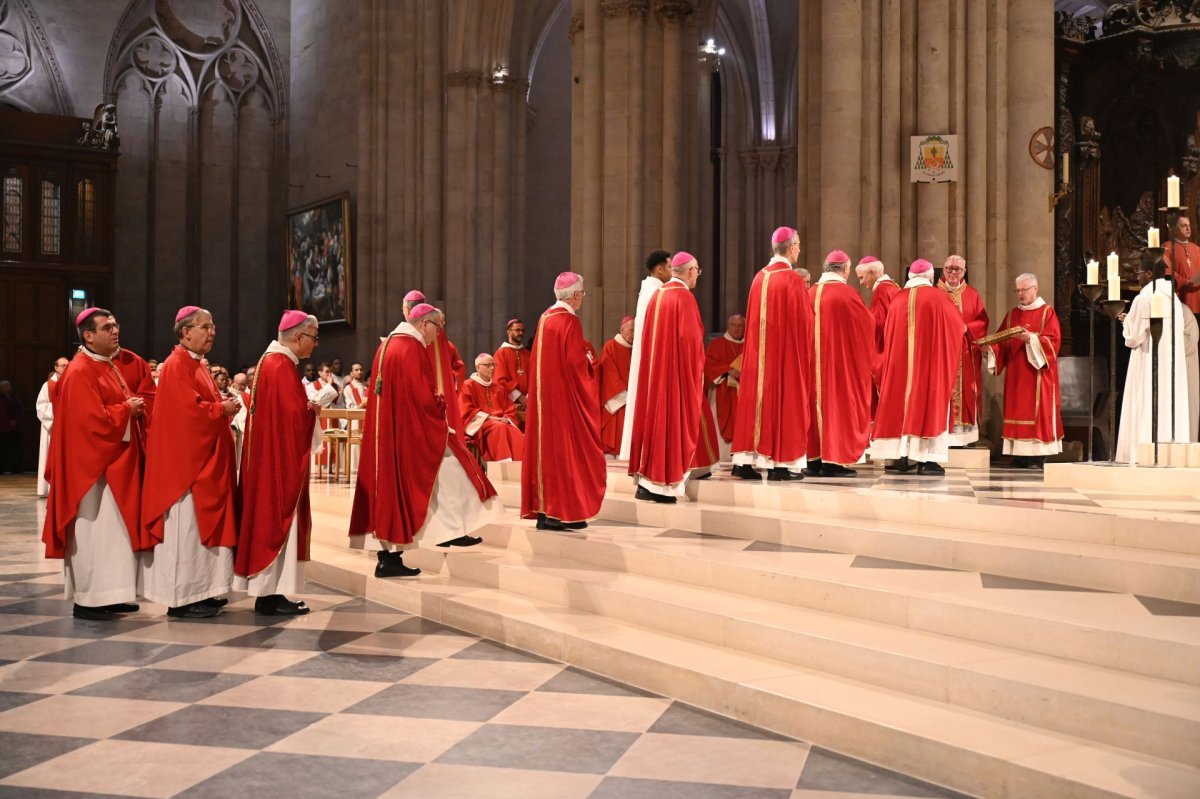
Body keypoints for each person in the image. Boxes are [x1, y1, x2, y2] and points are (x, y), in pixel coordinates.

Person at [351, 304, 499, 577]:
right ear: (425, 324)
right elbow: (423, 397)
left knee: (408, 488)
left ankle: (411, 548)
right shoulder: (411, 347)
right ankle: (408, 550)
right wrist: (440, 407)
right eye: (438, 328)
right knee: (453, 469)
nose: (437, 335)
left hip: (391, 434)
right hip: (408, 434)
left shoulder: (387, 345)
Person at [42, 308, 146, 620]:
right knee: (92, 534)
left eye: (116, 325)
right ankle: (88, 600)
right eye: (107, 328)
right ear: (88, 335)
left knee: (113, 534)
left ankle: (111, 594)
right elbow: (87, 422)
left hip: (111, 465)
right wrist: (126, 410)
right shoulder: (79, 370)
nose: (116, 331)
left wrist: (130, 408)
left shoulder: (106, 365)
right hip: (88, 472)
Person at [140, 307, 240, 618]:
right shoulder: (176, 364)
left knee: (200, 533)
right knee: (186, 533)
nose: (213, 332)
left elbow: (202, 404)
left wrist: (223, 407)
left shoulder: (196, 363)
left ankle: (203, 591)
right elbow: (186, 413)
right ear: (186, 332)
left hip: (204, 461)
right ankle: (181, 599)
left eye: (213, 326)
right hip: (185, 469)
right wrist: (220, 409)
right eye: (206, 327)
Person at [233, 311, 324, 616]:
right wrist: (312, 411)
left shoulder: (269, 361)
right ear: (299, 337)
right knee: (278, 520)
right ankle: (270, 596)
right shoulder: (281, 365)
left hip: (268, 458)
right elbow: (293, 418)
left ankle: (269, 593)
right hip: (279, 464)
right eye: (314, 337)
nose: (315, 344)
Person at [521, 272, 607, 530]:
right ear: (576, 295)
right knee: (567, 454)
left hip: (544, 402)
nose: (583, 299)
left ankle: (548, 512)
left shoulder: (545, 318)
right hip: (563, 402)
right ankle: (558, 512)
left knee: (548, 454)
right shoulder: (569, 321)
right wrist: (590, 361)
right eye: (583, 294)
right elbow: (575, 364)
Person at [628, 252, 713, 502]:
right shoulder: (683, 297)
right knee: (672, 426)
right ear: (690, 271)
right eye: (697, 271)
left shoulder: (658, 295)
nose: (697, 275)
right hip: (675, 378)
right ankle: (662, 486)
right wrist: (695, 375)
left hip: (656, 376)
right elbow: (691, 343)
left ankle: (646, 484)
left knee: (656, 424)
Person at [731, 226, 813, 481]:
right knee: (784, 402)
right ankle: (780, 465)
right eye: (798, 245)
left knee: (754, 403)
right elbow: (804, 323)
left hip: (757, 358)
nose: (799, 250)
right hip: (783, 357)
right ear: (791, 247)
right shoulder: (792, 280)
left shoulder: (759, 277)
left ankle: (743, 462)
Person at [870, 259, 964, 475]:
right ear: (931, 277)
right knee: (929, 406)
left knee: (900, 407)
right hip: (929, 369)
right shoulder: (939, 298)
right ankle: (927, 460)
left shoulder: (898, 299)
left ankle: (901, 457)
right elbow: (958, 327)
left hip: (900, 369)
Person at [805, 250, 876, 477]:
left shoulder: (810, 293)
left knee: (814, 406)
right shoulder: (847, 294)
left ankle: (814, 460)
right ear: (845, 269)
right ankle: (833, 462)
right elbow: (867, 325)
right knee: (837, 408)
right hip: (838, 367)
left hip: (811, 367)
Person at [984, 275, 1063, 468]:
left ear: (1035, 288)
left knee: (1037, 412)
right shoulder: (1012, 315)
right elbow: (1001, 341)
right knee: (1017, 410)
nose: (1020, 294)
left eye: (1024, 290)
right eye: (1018, 290)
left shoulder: (1047, 312)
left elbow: (1053, 342)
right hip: (1016, 374)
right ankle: (1019, 455)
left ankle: (1037, 456)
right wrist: (990, 348)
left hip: (1038, 374)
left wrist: (1031, 339)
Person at [1116, 262, 1192, 463]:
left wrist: (1128, 323)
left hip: (1149, 358)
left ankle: (1140, 453)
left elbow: (1134, 337)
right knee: (1167, 402)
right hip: (1170, 361)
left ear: (1149, 274)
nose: (1137, 277)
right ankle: (1168, 454)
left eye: (1139, 273)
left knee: (1146, 399)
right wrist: (1132, 320)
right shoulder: (1173, 298)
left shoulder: (1145, 297)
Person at [619, 249, 673, 459]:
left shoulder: (649, 289)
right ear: (659, 269)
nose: (672, 272)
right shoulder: (656, 292)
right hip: (652, 357)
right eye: (670, 267)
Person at [937, 255, 989, 447]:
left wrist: (967, 328)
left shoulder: (972, 294)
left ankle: (963, 438)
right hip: (941, 353)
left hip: (965, 353)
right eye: (949, 268)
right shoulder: (935, 293)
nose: (953, 272)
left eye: (957, 269)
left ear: (964, 272)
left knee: (966, 389)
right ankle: (941, 433)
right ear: (943, 270)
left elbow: (982, 321)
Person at [461, 352, 525, 462]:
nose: (492, 368)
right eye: (488, 365)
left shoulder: (499, 388)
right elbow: (466, 410)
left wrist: (506, 419)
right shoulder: (468, 385)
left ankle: (522, 465)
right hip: (482, 424)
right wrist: (490, 418)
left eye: (493, 365)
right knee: (499, 428)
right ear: (478, 367)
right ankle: (503, 466)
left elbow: (509, 409)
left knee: (516, 433)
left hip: (501, 423)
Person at [704, 314, 745, 460]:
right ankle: (721, 455)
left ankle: (740, 457)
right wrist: (727, 370)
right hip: (722, 390)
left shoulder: (749, 346)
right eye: (733, 325)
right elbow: (708, 364)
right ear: (728, 326)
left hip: (743, 392)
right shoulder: (717, 344)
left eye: (740, 326)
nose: (736, 329)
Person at [598, 316, 634, 457]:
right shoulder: (611, 346)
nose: (633, 334)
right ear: (622, 330)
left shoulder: (636, 350)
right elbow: (608, 374)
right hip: (617, 401)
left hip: (633, 401)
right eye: (631, 330)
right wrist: (627, 396)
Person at [35, 357, 69, 496]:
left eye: (68, 365)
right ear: (56, 367)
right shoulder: (48, 385)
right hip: (52, 427)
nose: (66, 368)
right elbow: (41, 406)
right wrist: (57, 413)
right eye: (63, 365)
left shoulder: (71, 382)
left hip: (68, 428)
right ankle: (49, 488)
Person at [856, 255, 899, 357]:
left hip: (883, 349)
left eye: (861, 277)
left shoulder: (881, 290)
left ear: (872, 272)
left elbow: (878, 324)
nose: (861, 282)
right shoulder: (893, 286)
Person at [307, 362, 341, 471]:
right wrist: (329, 385)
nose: (329, 374)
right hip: (318, 420)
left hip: (332, 419)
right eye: (327, 372)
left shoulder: (337, 386)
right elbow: (317, 401)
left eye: (330, 372)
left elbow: (340, 405)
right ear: (320, 372)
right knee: (320, 444)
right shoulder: (312, 386)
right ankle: (318, 469)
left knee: (333, 445)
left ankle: (333, 469)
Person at [494, 318, 529, 417]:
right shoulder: (501, 353)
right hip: (509, 402)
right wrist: (519, 396)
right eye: (517, 330)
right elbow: (500, 380)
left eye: (522, 330)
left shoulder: (528, 354)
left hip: (528, 401)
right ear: (509, 332)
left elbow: (534, 378)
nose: (521, 333)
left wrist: (528, 396)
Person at [0, 380, 22, 474]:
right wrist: (9, 422)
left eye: (8, 386)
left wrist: (16, 421)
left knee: (15, 449)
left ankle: (15, 467)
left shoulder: (14, 398)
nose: (7, 388)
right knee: (3, 449)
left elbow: (19, 410)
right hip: (3, 428)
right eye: (5, 386)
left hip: (15, 428)